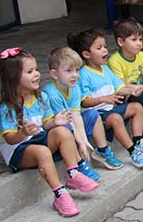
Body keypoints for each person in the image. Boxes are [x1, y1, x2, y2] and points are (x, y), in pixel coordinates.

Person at [0, 47, 99, 217]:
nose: (37, 74)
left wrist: (55, 122)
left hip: (38, 140)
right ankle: (60, 194)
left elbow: (46, 123)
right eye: (30, 71)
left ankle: (73, 173)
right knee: (43, 151)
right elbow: (10, 139)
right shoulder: (7, 107)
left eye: (36, 69)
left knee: (63, 131)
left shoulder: (40, 98)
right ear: (13, 78)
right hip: (19, 150)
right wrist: (22, 133)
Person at [68, 29, 143, 169]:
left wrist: (136, 89)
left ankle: (138, 142)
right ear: (86, 54)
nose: (105, 50)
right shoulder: (84, 74)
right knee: (116, 118)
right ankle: (133, 152)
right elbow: (84, 102)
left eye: (105, 46)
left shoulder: (106, 69)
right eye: (99, 48)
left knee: (136, 107)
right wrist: (103, 99)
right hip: (99, 116)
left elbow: (120, 88)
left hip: (112, 108)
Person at [44, 47, 123, 177]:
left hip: (72, 126)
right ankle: (80, 164)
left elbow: (76, 115)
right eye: (68, 71)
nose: (75, 75)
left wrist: (85, 141)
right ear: (54, 74)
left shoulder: (73, 88)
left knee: (92, 114)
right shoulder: (51, 93)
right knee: (66, 126)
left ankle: (102, 150)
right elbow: (67, 121)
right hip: (59, 132)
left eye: (77, 70)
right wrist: (80, 143)